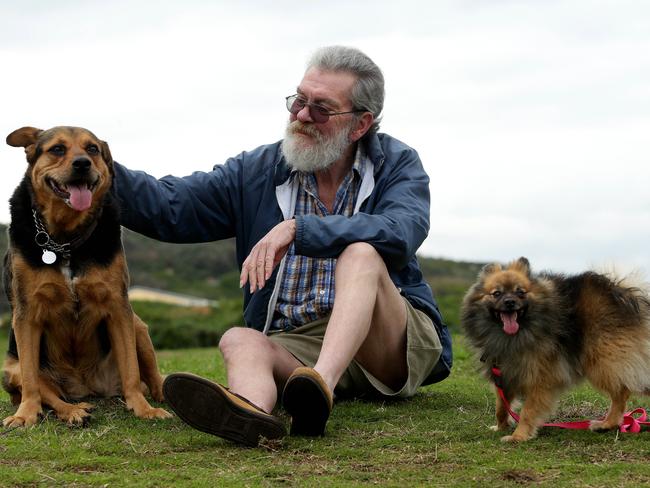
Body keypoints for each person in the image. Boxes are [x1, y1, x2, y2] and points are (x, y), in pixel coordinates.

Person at [113, 45, 452, 446]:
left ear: (360, 125)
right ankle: (251, 414)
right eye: (298, 102)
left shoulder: (396, 164)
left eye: (321, 109)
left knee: (361, 253)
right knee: (238, 339)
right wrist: (93, 167)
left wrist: (300, 228)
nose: (303, 116)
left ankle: (319, 389)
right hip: (300, 344)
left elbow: (402, 229)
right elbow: (172, 205)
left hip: (389, 342)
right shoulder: (257, 171)